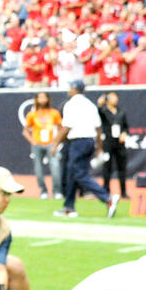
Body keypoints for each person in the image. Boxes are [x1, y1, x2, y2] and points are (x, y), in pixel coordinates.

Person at [52, 81, 118, 219]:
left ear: (75, 89)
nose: (69, 90)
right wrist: (99, 147)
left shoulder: (71, 104)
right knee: (72, 173)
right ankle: (69, 206)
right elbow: (98, 128)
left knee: (79, 174)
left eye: (71, 88)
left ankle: (107, 198)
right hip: (90, 141)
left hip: (78, 142)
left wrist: (55, 144)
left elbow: (66, 127)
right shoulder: (90, 104)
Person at [23, 91, 63, 199]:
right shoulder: (32, 114)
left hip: (51, 144)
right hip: (37, 144)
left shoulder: (54, 113)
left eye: (44, 97)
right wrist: (32, 141)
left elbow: (61, 128)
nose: (42, 100)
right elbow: (25, 130)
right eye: (40, 97)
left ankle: (57, 191)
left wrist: (56, 142)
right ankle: (43, 191)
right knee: (38, 169)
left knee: (55, 167)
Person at [98, 91, 129, 199]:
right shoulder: (104, 111)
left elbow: (125, 127)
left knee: (122, 168)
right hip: (108, 142)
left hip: (120, 143)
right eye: (112, 97)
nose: (115, 99)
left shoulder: (121, 112)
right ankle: (106, 190)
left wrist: (125, 133)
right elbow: (99, 112)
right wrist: (100, 104)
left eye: (116, 97)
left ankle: (123, 191)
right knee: (107, 167)